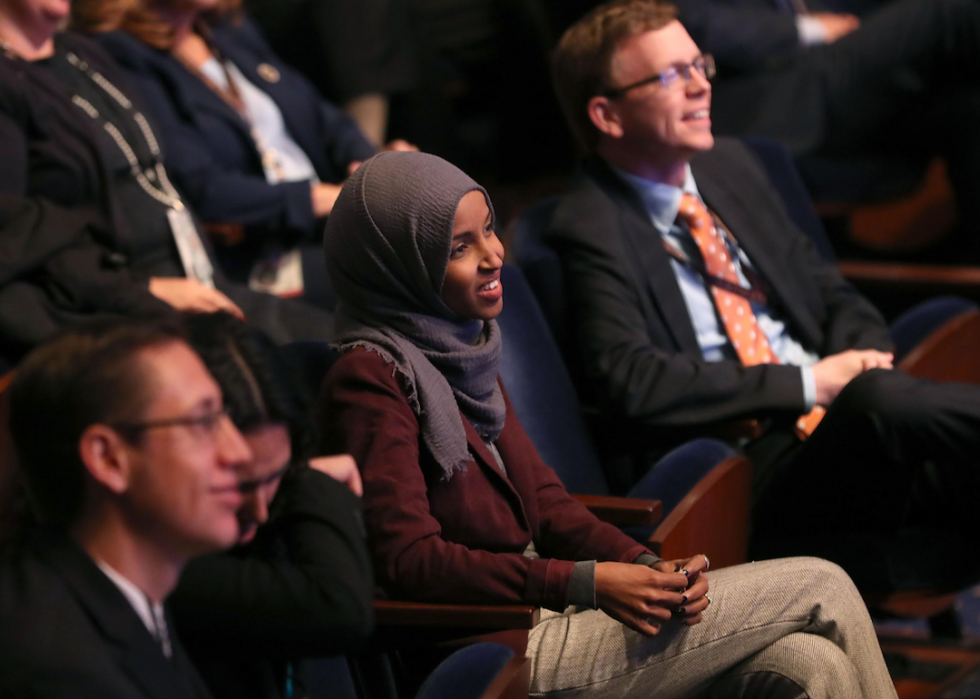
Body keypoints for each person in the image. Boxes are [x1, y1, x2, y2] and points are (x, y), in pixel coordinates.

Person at [318, 150, 898, 698]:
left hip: (552, 610)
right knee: (823, 585)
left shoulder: (461, 350)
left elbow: (545, 503)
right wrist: (585, 582)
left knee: (807, 663)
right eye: (458, 248)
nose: (494, 256)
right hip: (494, 644)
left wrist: (644, 565)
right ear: (398, 266)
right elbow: (409, 561)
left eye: (490, 229)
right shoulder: (371, 376)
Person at [547, 0, 980, 572]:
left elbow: (829, 292)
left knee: (901, 419)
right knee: (878, 401)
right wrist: (810, 384)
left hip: (852, 435)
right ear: (607, 115)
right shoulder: (589, 223)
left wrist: (861, 354)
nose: (701, 87)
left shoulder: (733, 166)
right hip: (753, 466)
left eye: (700, 66)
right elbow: (634, 378)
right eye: (674, 76)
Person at [0, 0, 334, 363]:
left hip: (202, 279)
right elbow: (21, 238)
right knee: (323, 366)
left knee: (356, 344)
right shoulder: (14, 80)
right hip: (126, 306)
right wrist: (141, 291)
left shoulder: (80, 53)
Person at [74, 0, 416, 305]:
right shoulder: (121, 53)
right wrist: (321, 199)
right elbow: (201, 186)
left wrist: (374, 163)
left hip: (330, 222)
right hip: (259, 255)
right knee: (407, 269)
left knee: (435, 232)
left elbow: (323, 118)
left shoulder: (225, 28)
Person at [0, 318, 252, 698]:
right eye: (203, 421)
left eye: (224, 416)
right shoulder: (59, 670)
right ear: (108, 459)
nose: (239, 452)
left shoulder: (120, 603)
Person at [665, 0, 980, 256]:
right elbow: (694, 22)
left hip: (832, 63)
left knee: (965, 104)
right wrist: (812, 29)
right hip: (770, 92)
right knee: (951, 14)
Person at [174, 311, 373, 699]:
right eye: (240, 482)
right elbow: (340, 606)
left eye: (273, 479)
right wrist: (305, 481)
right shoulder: (165, 568)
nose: (259, 511)